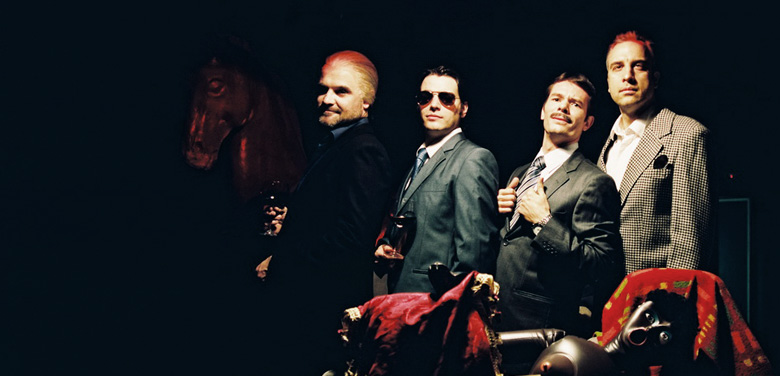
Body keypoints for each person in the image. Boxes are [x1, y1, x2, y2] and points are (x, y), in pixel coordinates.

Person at [255, 50, 394, 333]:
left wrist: (281, 262)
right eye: (323, 90)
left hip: (322, 310)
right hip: (308, 305)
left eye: (341, 91)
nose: (327, 99)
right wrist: (291, 222)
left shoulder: (364, 150)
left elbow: (350, 240)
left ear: (366, 101)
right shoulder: (337, 143)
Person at [494, 73, 623, 336]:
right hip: (497, 316)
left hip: (540, 328)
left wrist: (544, 222)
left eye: (575, 104)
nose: (563, 107)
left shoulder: (594, 182)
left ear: (587, 123)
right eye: (556, 99)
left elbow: (602, 265)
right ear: (543, 111)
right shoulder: (520, 172)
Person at [597, 31, 715, 274]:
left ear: (655, 78)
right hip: (604, 291)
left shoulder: (687, 134)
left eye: (638, 66)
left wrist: (671, 296)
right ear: (608, 82)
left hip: (655, 293)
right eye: (617, 67)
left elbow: (689, 243)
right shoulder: (607, 147)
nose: (627, 76)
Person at [375, 66, 499, 293]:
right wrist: (386, 245)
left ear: (463, 109)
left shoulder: (473, 159)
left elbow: (474, 254)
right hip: (403, 296)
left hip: (435, 303)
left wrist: (450, 303)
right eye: (425, 97)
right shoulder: (419, 159)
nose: (434, 105)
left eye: (446, 98)